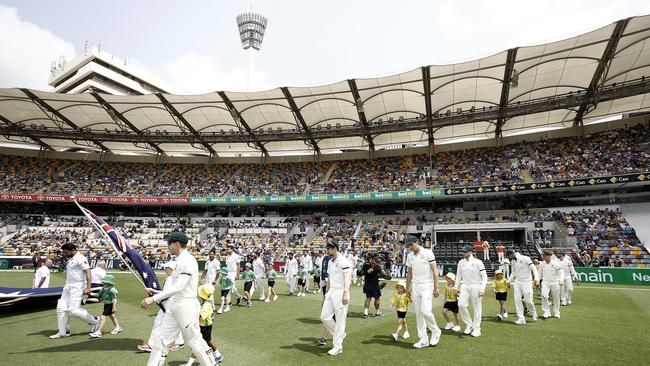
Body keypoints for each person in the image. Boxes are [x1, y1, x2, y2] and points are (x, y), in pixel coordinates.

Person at [140, 231, 218, 366]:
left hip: (186, 305)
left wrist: (153, 298)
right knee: (161, 341)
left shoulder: (187, 260)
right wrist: (156, 293)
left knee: (195, 342)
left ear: (176, 244)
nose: (168, 246)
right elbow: (175, 288)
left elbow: (179, 286)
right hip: (175, 305)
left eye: (169, 243)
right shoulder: (181, 259)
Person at [50, 243, 100, 339]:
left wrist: (88, 287)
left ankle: (95, 321)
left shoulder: (80, 258)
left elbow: (88, 272)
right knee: (60, 308)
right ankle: (63, 332)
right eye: (64, 252)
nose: (65, 254)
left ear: (73, 250)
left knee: (73, 310)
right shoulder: (71, 259)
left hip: (78, 286)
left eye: (66, 252)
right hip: (68, 285)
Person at [138, 261, 184, 353]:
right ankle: (179, 342)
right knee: (169, 323)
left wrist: (153, 295)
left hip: (169, 304)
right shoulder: (172, 278)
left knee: (159, 323)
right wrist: (153, 291)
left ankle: (151, 345)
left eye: (166, 267)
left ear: (171, 269)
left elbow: (167, 293)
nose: (164, 269)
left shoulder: (171, 279)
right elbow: (166, 292)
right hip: (170, 304)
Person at [405, 235, 441, 349]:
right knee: (419, 314)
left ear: (417, 242)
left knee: (425, 311)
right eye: (408, 245)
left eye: (412, 244)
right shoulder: (410, 256)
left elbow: (434, 270)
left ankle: (435, 331)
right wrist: (407, 288)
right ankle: (423, 339)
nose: (410, 247)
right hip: (416, 285)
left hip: (427, 285)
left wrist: (436, 288)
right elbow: (409, 273)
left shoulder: (428, 253)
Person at [319, 241, 351, 356]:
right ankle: (340, 334)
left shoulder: (343, 261)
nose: (327, 251)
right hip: (331, 291)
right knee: (324, 317)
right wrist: (326, 292)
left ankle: (337, 347)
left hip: (341, 291)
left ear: (334, 248)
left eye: (329, 249)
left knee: (340, 320)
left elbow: (347, 278)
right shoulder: (330, 261)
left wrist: (346, 293)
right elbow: (330, 278)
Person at [186, 284, 222, 366]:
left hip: (204, 327)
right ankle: (217, 355)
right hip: (206, 327)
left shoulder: (206, 305)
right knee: (208, 341)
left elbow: (201, 316)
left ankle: (189, 364)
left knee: (198, 344)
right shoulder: (206, 303)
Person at [455, 245, 487, 337]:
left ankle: (477, 328)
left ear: (470, 252)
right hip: (464, 285)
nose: (463, 253)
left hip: (476, 285)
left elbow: (484, 276)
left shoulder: (478, 262)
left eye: (465, 251)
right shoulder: (461, 262)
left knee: (477, 308)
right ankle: (469, 324)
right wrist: (455, 287)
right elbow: (458, 276)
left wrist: (482, 288)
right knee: (461, 304)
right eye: (463, 252)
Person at [506, 249, 539, 325]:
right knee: (517, 300)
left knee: (528, 300)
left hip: (527, 281)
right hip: (517, 282)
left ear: (513, 253)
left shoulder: (525, 258)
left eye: (509, 256)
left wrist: (536, 279)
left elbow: (533, 268)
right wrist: (508, 281)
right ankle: (521, 318)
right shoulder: (513, 261)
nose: (509, 258)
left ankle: (533, 312)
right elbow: (513, 273)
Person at [539, 251, 564, 319]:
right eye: (543, 256)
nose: (544, 257)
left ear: (549, 256)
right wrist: (537, 280)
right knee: (544, 296)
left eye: (545, 256)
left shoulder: (555, 263)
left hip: (555, 282)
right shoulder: (542, 264)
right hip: (545, 282)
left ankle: (556, 312)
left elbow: (561, 272)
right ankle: (546, 312)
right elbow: (539, 273)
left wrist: (561, 280)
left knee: (556, 298)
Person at [361, 253, 387, 318]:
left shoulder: (365, 265)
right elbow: (384, 274)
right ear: (374, 258)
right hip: (374, 284)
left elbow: (362, 273)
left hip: (367, 284)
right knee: (377, 298)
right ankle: (377, 312)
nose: (378, 259)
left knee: (368, 298)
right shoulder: (377, 266)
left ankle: (365, 313)